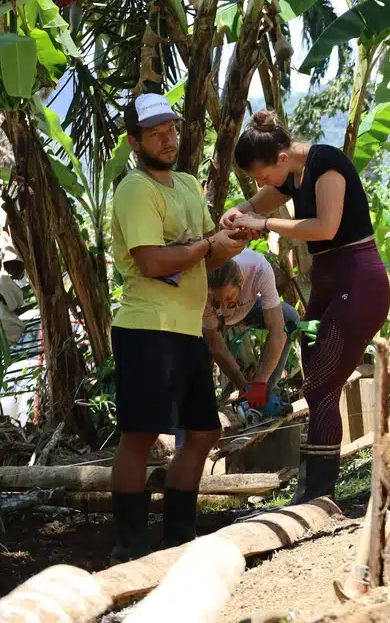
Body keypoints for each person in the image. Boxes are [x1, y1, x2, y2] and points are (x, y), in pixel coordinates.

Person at [222, 111, 390, 503]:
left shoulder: (326, 163)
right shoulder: (291, 175)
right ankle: (317, 489)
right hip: (330, 282)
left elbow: (324, 228)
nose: (261, 183)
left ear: (282, 157)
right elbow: (252, 205)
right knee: (317, 381)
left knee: (320, 384)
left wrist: (262, 225)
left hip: (358, 281)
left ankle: (318, 490)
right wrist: (236, 215)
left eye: (262, 174)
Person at [109, 93, 247, 562]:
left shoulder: (187, 184)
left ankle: (177, 538)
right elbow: (150, 261)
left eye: (170, 129)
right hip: (147, 328)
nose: (167, 139)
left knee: (204, 433)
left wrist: (236, 234)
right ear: (134, 141)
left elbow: (210, 252)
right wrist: (207, 246)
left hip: (186, 329)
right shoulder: (134, 189)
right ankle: (128, 547)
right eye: (155, 133)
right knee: (141, 435)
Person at [205, 248, 300, 404]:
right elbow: (216, 346)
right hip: (210, 321)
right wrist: (243, 386)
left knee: (290, 319)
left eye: (229, 297)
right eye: (218, 300)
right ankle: (206, 408)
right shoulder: (203, 282)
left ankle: (266, 394)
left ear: (241, 280)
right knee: (201, 349)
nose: (224, 306)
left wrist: (259, 384)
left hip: (245, 309)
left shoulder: (259, 268)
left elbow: (278, 331)